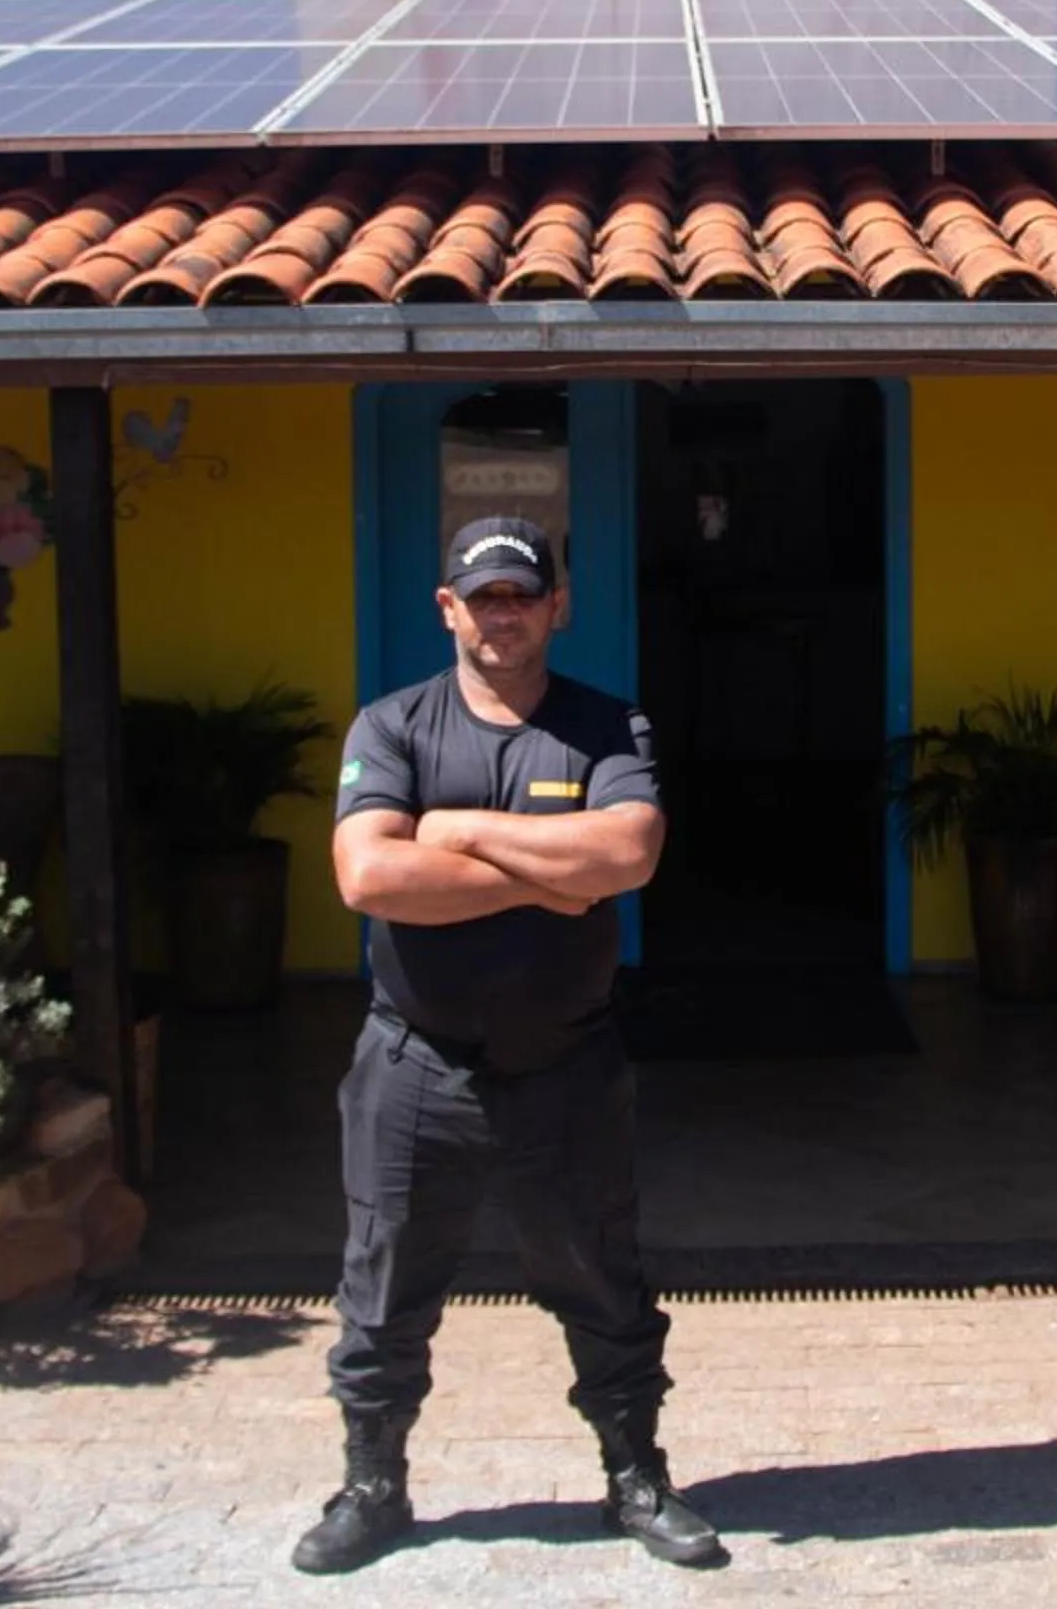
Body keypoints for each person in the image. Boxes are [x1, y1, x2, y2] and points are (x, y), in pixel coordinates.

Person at [293, 515, 723, 1576]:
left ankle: (635, 1475)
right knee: (383, 1289)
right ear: (448, 607)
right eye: (482, 597)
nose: (502, 615)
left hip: (566, 1066)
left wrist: (453, 830)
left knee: (602, 1279)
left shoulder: (606, 725)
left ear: (556, 605)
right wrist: (551, 878)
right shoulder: (392, 726)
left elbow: (629, 850)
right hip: (415, 1065)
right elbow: (368, 874)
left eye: (521, 595)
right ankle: (372, 1485)